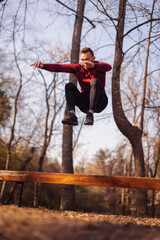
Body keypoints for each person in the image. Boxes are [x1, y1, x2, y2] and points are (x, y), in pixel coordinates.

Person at [31, 47, 112, 126]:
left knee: (94, 81)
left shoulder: (99, 66)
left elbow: (108, 67)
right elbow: (59, 67)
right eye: (82, 60)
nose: (84, 62)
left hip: (100, 101)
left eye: (87, 59)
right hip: (85, 104)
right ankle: (72, 116)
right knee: (69, 86)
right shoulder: (77, 68)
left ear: (93, 59)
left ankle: (90, 115)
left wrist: (94, 66)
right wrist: (43, 66)